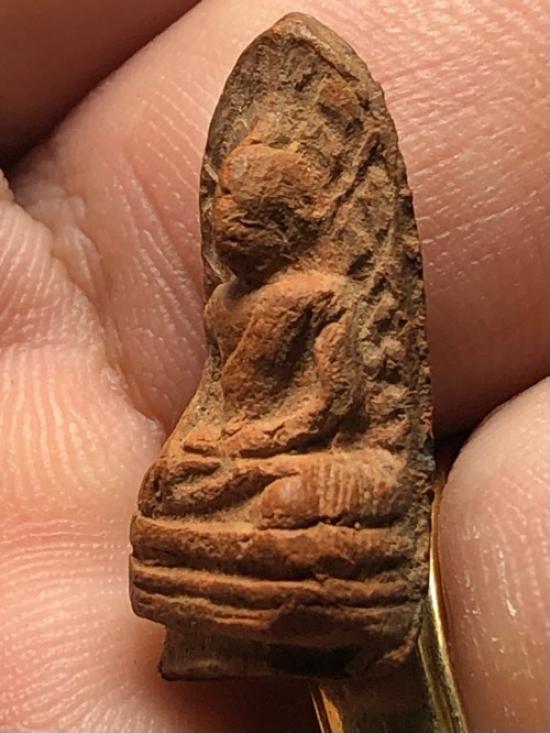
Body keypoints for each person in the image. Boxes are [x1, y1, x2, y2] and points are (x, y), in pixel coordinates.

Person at [0, 1, 546, 732]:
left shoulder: (321, 295)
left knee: (308, 500)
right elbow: (221, 396)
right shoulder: (230, 300)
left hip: (305, 454)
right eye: (224, 212)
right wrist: (214, 445)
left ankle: (313, 609)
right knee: (168, 489)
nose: (230, 229)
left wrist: (265, 441)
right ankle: (216, 611)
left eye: (250, 218)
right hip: (243, 448)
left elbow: (334, 401)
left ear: (292, 224)